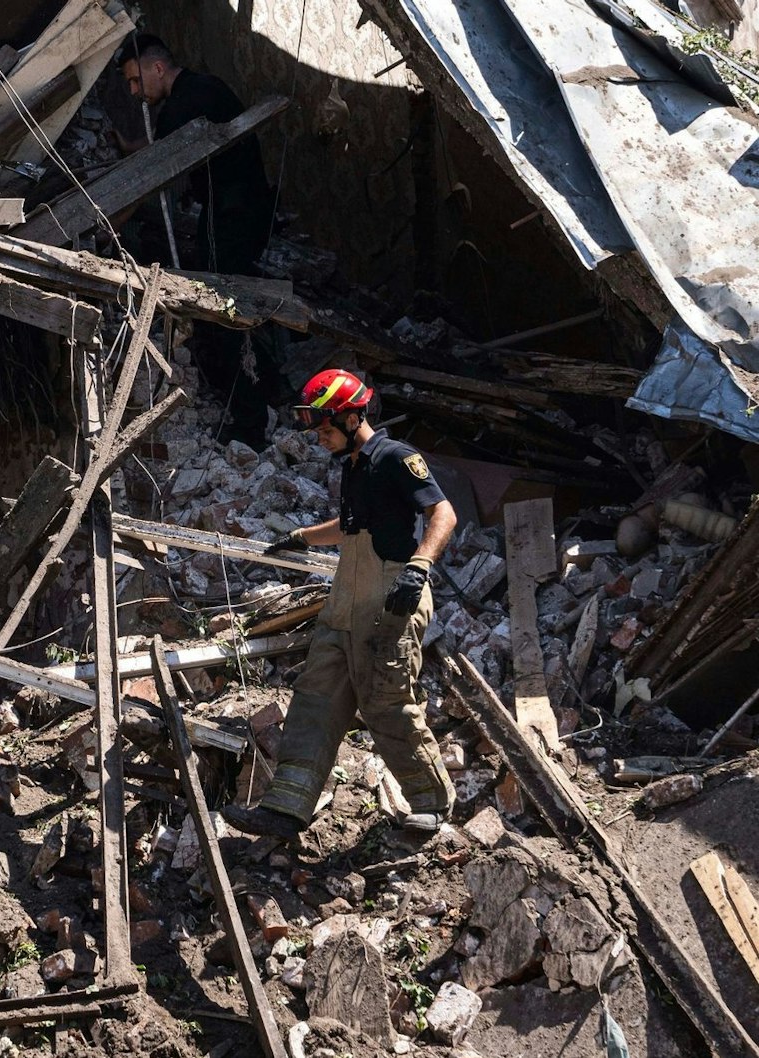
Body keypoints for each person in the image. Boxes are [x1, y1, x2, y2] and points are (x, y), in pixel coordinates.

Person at [221, 369, 459, 839]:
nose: (319, 438)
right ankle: (286, 810)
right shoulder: (353, 466)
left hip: (391, 594)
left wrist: (419, 566)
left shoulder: (396, 457)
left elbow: (442, 512)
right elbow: (350, 527)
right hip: (346, 597)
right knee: (316, 697)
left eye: (325, 428)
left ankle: (432, 804)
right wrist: (299, 537)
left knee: (386, 701)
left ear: (352, 417)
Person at [117, 35, 282, 449]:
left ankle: (250, 421)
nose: (136, 92)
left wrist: (125, 148)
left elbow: (159, 155)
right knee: (231, 305)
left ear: (158, 68)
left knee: (216, 312)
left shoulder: (189, 98)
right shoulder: (206, 89)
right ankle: (273, 393)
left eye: (137, 81)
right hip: (239, 211)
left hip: (231, 213)